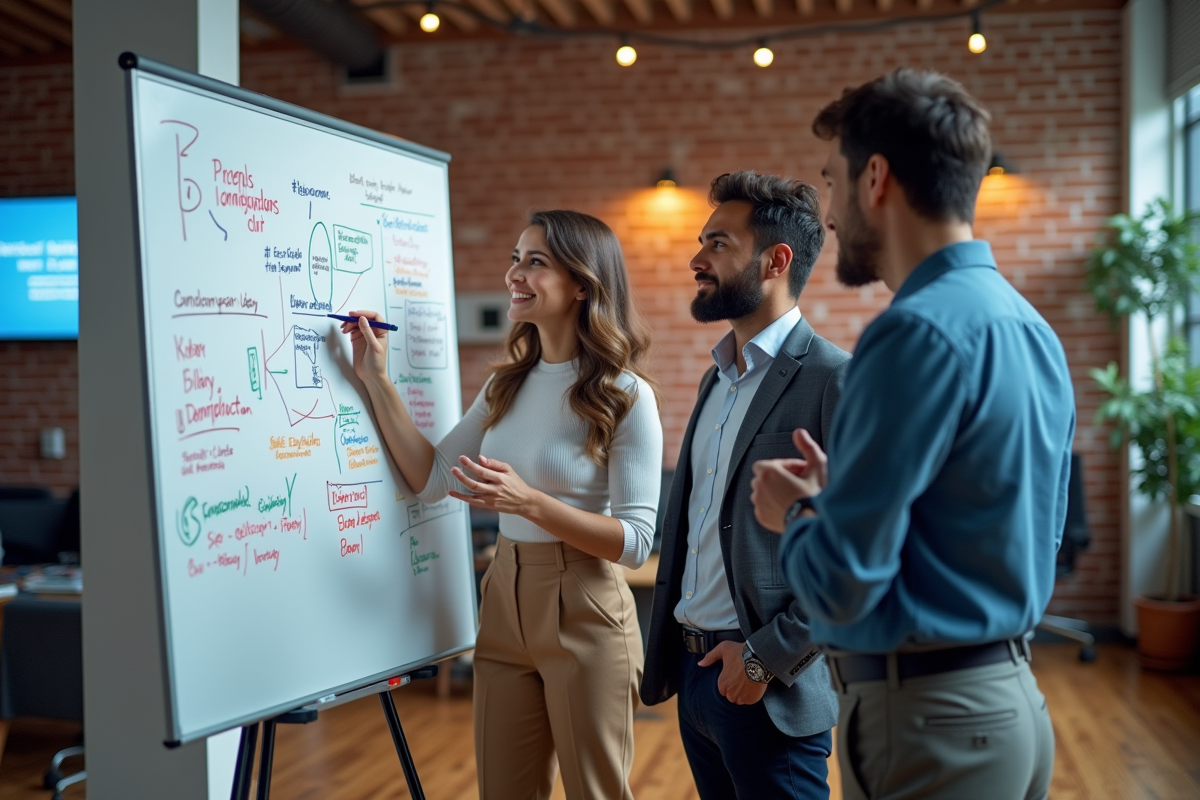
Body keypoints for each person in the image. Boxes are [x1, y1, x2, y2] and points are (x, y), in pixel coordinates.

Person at [750, 69, 1074, 800]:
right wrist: (845, 498)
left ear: (876, 178)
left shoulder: (908, 336)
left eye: (830, 182)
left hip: (931, 726)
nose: (827, 216)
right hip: (1010, 705)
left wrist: (795, 514)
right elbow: (995, 523)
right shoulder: (1028, 326)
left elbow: (840, 588)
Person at [342, 210, 662, 800]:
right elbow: (433, 476)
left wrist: (531, 502)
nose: (515, 272)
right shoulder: (506, 385)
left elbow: (637, 538)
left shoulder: (626, 394)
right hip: (504, 592)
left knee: (597, 793)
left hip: (586, 602)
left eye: (535, 262)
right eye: (516, 258)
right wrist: (375, 380)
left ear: (582, 284)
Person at [640, 170, 850, 800]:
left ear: (775, 261)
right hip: (698, 675)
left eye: (719, 244)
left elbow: (860, 554)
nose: (696, 259)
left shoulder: (834, 379)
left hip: (768, 684)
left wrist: (763, 659)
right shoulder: (717, 380)